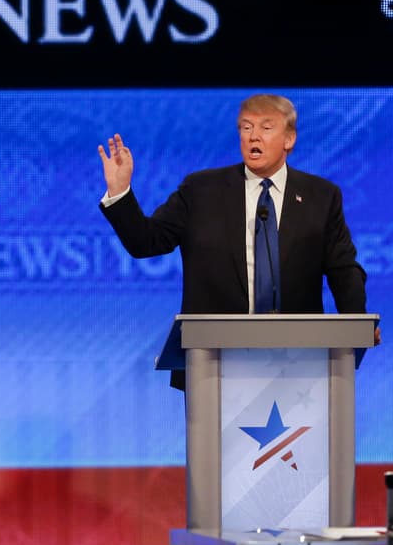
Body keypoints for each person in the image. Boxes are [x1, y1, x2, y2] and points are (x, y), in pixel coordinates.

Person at [97, 92, 375, 385]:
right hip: (214, 366)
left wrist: (356, 323)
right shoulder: (201, 190)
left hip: (297, 365)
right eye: (246, 127)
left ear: (289, 139)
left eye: (266, 128)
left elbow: (343, 269)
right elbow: (146, 242)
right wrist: (120, 191)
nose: (254, 136)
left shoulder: (322, 196)